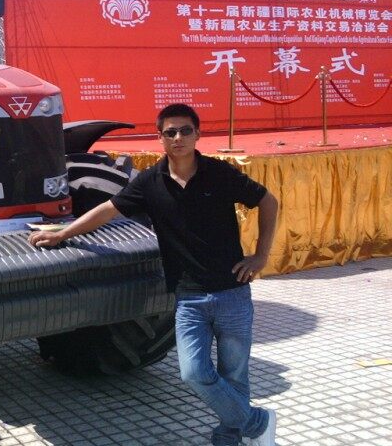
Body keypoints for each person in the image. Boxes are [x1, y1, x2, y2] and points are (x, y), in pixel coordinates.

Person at [29, 103, 279, 446]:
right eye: (170, 132)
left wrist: (261, 256)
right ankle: (257, 422)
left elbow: (268, 201)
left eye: (185, 130)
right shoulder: (150, 182)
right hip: (189, 297)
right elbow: (106, 210)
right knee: (193, 372)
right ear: (160, 137)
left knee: (234, 374)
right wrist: (62, 234)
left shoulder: (219, 173)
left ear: (197, 134)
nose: (178, 138)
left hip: (232, 292)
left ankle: (229, 436)